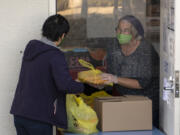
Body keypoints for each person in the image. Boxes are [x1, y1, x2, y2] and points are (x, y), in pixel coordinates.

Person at [10, 14, 86, 135]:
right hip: (38, 117)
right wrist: (83, 86)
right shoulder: (55, 55)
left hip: (20, 112)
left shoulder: (31, 47)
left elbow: (42, 75)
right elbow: (64, 85)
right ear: (62, 36)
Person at [101, 15, 160, 127]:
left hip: (147, 103)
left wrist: (115, 79)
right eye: (119, 29)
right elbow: (111, 74)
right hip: (124, 100)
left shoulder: (145, 49)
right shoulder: (113, 45)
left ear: (135, 33)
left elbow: (142, 83)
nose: (120, 33)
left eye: (126, 30)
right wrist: (101, 82)